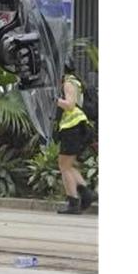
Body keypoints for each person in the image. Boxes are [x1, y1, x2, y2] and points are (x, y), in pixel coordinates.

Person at [55, 63, 95, 214]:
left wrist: (55, 100)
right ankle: (85, 193)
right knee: (68, 165)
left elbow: (70, 105)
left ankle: (73, 202)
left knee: (64, 166)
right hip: (76, 127)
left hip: (72, 126)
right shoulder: (75, 81)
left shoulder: (69, 82)